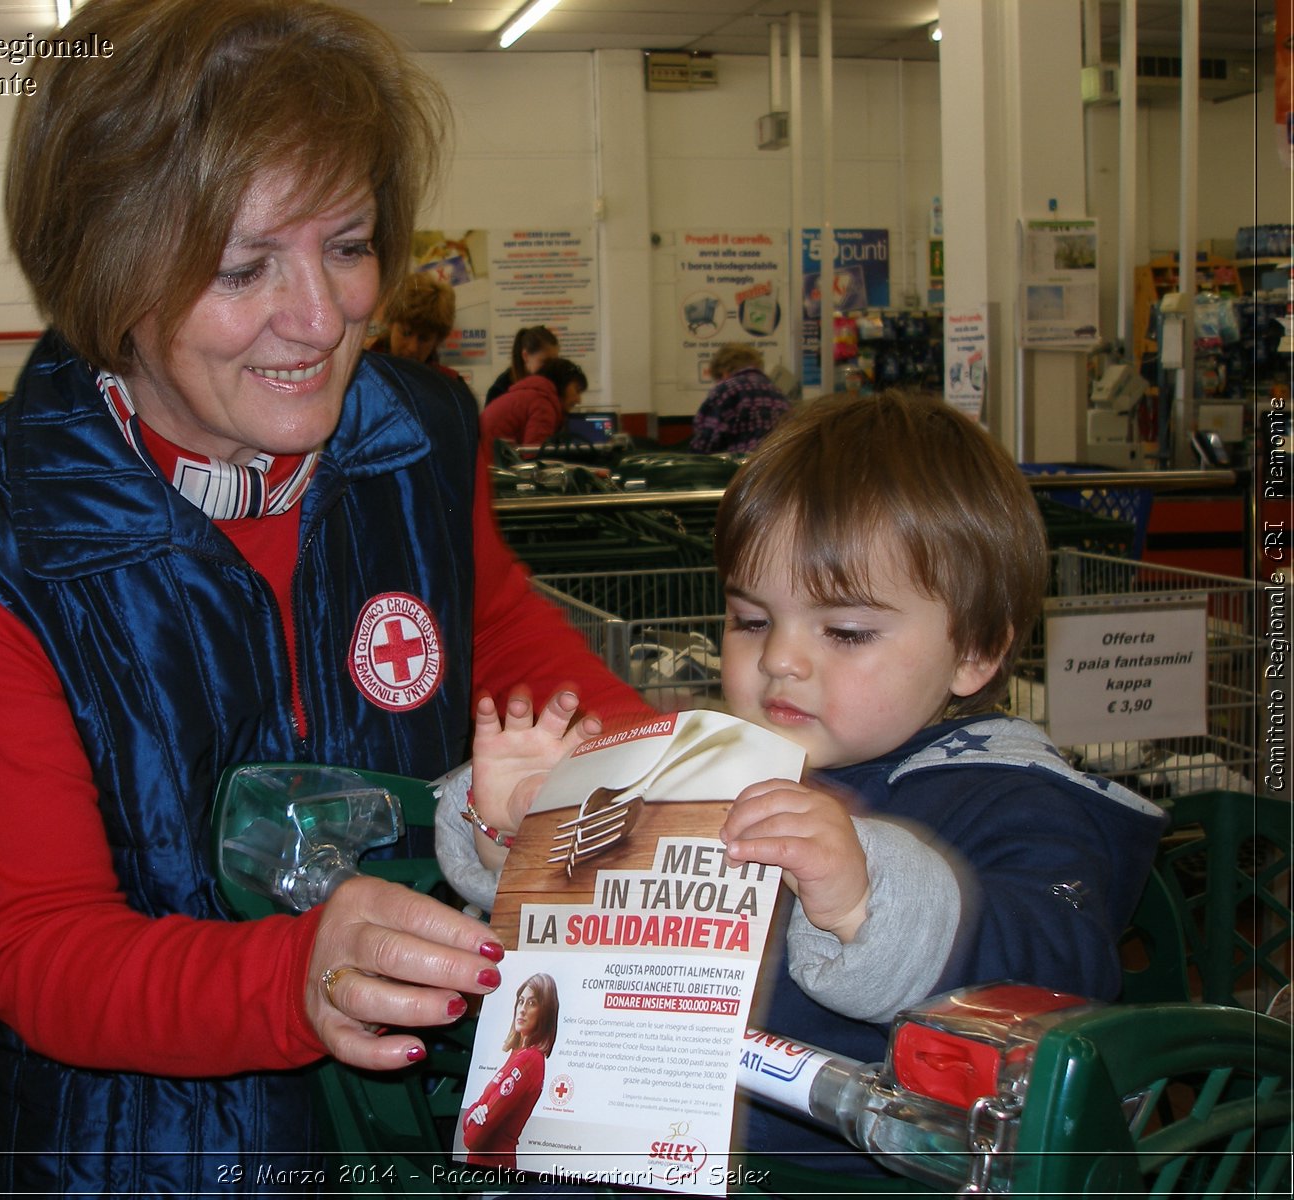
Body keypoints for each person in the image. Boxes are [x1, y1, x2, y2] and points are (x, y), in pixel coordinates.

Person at [0, 1, 647, 1192]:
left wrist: (691, 783)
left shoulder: (415, 432)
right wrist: (294, 976)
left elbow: (498, 633)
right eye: (240, 265)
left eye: (350, 244)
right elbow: (36, 946)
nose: (321, 320)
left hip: (406, 1125)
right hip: (123, 1150)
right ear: (109, 271)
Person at [450, 390, 1167, 1174]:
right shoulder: (702, 765)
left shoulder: (1016, 800)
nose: (779, 660)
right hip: (621, 1150)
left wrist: (870, 902)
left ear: (976, 650)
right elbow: (581, 938)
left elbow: (1063, 977)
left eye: (846, 631)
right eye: (752, 620)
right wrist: (519, 827)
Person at [461, 973, 560, 1168]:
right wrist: (474, 1113)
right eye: (521, 1001)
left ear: (545, 1012)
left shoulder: (529, 1060)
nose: (522, 1010)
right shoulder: (517, 1054)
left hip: (495, 1175)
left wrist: (475, 1116)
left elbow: (473, 1139)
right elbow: (479, 1106)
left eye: (532, 1003)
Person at [367, 271, 467, 387]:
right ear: (391, 324)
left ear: (437, 340)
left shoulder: (451, 387)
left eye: (424, 339)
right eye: (406, 333)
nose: (412, 348)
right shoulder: (362, 373)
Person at [688, 343, 790, 454]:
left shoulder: (727, 389)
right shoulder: (778, 393)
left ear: (724, 372)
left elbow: (706, 442)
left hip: (741, 467)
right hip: (776, 463)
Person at [479, 357, 588, 448]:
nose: (578, 400)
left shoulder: (533, 395)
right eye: (577, 390)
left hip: (482, 459)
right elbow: (534, 455)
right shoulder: (543, 404)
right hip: (490, 464)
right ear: (562, 382)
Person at [485, 325, 560, 404]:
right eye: (545, 361)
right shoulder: (500, 390)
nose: (551, 367)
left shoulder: (555, 384)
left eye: (554, 361)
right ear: (525, 356)